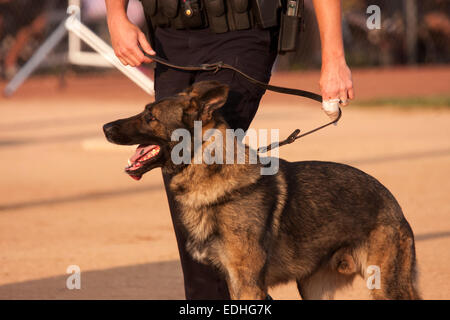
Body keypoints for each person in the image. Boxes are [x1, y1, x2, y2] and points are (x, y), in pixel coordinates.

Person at [105, 0, 354, 299]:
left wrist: (334, 56)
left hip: (242, 30)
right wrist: (116, 15)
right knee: (178, 165)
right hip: (169, 34)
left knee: (201, 159)